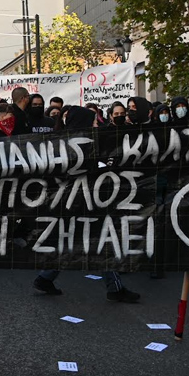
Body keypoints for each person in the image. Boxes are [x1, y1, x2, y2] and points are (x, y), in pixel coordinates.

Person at [34, 106, 141, 303]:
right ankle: (115, 288)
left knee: (75, 241)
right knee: (101, 240)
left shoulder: (72, 144)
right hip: (83, 202)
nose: (96, 124)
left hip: (79, 202)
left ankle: (45, 277)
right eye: (93, 121)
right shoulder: (79, 147)